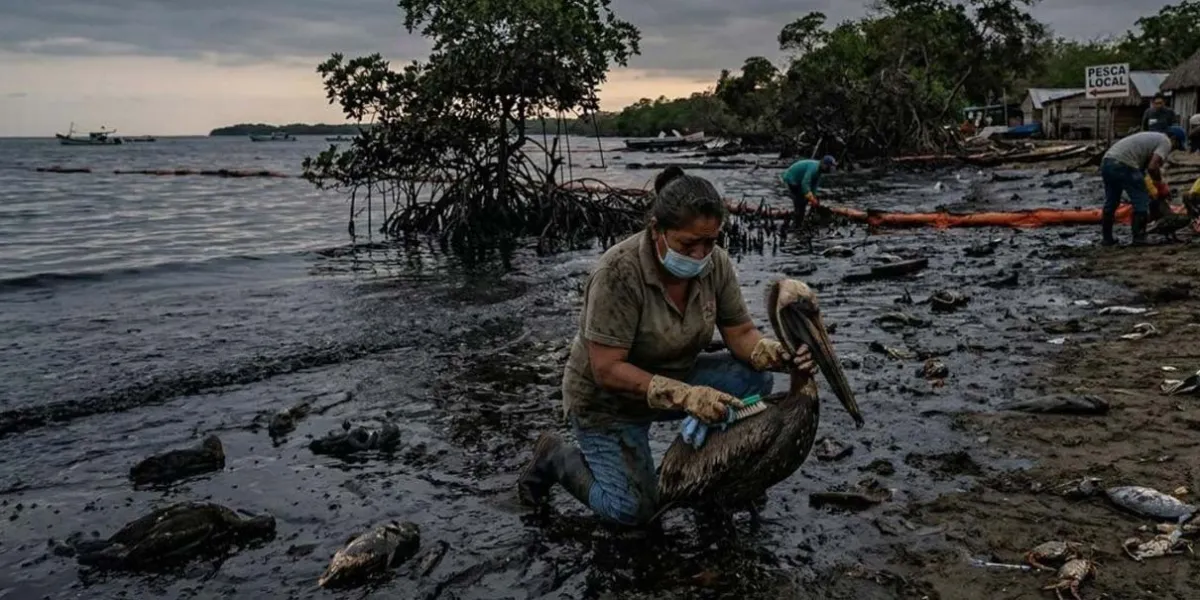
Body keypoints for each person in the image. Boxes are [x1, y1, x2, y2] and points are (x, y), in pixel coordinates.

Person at [516, 166, 815, 527]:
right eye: (688, 244)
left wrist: (771, 352)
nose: (700, 254)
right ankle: (556, 458)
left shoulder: (714, 264)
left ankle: (712, 471)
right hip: (609, 402)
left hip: (677, 374)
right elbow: (606, 368)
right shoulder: (618, 272)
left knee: (753, 378)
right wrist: (687, 397)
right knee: (634, 512)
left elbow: (740, 333)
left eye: (710, 242)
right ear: (656, 229)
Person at [1099, 126, 1188, 246]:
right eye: (1176, 146)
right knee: (1141, 201)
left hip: (1108, 162)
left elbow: (1143, 172)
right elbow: (1153, 167)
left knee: (1111, 201)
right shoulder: (1165, 141)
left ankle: (1107, 238)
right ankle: (1139, 238)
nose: (1172, 150)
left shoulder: (1150, 138)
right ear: (1173, 138)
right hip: (1124, 165)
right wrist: (1160, 185)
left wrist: (1152, 188)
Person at [780, 155, 837, 228]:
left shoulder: (818, 171)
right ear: (824, 165)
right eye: (829, 167)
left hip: (799, 181)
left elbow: (814, 185)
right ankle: (796, 223)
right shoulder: (814, 168)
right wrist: (811, 198)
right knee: (799, 201)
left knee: (804, 201)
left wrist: (813, 197)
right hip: (791, 179)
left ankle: (799, 221)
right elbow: (805, 183)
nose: (830, 169)